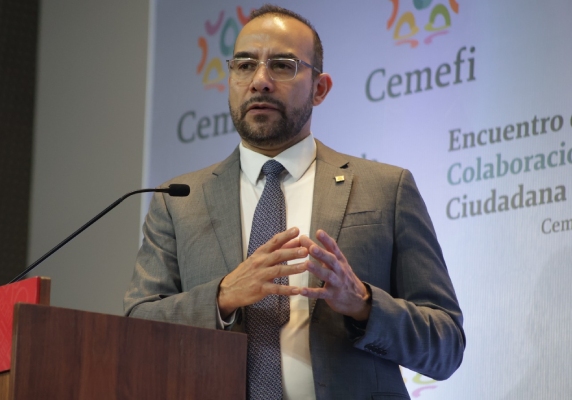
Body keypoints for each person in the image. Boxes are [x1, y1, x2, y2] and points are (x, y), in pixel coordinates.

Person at [124, 4, 465, 399]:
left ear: (320, 89)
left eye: (283, 66)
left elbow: (446, 346)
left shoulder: (386, 189)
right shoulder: (178, 201)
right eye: (245, 65)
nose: (260, 81)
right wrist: (221, 297)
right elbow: (135, 329)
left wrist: (364, 304)